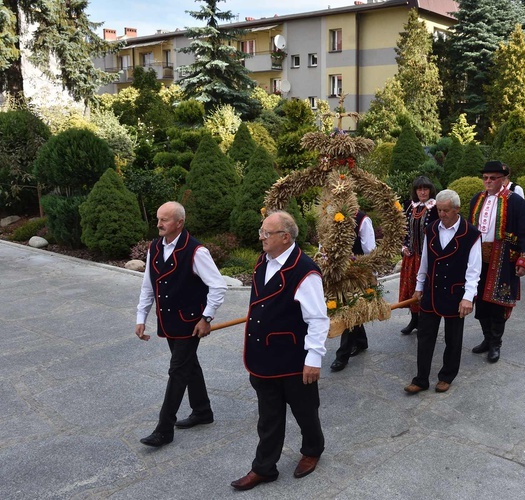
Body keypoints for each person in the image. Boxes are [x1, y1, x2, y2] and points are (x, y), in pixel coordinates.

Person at [231, 210, 329, 491]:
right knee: (269, 417)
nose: (261, 237)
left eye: (266, 233)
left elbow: (318, 319)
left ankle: (313, 449)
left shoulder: (305, 271)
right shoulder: (263, 261)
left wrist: (313, 359)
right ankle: (264, 468)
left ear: (285, 237)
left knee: (305, 411)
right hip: (263, 357)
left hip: (293, 359)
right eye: (262, 231)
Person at [135, 201, 227, 448]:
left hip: (189, 324)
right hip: (168, 321)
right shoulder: (154, 247)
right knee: (188, 365)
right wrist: (140, 317)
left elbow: (218, 286)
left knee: (177, 371)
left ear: (179, 223)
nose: (159, 224)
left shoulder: (196, 251)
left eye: (164, 220)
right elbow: (148, 286)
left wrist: (206, 318)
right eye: (158, 219)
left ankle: (164, 429)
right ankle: (202, 411)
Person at [404, 190, 481, 394]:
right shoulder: (431, 229)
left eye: (446, 210)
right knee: (425, 336)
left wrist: (468, 297)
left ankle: (447, 376)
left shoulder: (471, 233)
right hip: (431, 290)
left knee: (453, 338)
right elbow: (425, 261)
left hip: (456, 293)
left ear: (456, 209)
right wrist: (419, 287)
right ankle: (421, 379)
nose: (442, 214)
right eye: (439, 210)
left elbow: (474, 271)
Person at [468, 161, 525, 362]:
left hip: (503, 257)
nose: (488, 181)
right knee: (480, 300)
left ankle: (496, 343)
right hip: (479, 258)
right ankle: (487, 338)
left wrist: (524, 259)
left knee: (498, 302)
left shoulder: (515, 201)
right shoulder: (477, 199)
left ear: (502, 179)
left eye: (492, 178)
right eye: (485, 178)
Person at [330, 209, 375, 371]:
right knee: (348, 307)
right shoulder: (329, 216)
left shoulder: (362, 219)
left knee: (351, 310)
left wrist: (370, 274)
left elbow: (370, 249)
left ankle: (342, 356)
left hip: (357, 273)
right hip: (337, 271)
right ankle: (361, 341)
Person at [398, 176, 438, 335]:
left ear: (430, 190)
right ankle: (414, 320)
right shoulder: (409, 206)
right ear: (415, 191)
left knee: (424, 288)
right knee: (411, 288)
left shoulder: (435, 208)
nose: (422, 192)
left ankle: (424, 321)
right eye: (419, 189)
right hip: (411, 257)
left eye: (425, 189)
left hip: (427, 257)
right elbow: (402, 230)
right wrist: (403, 247)